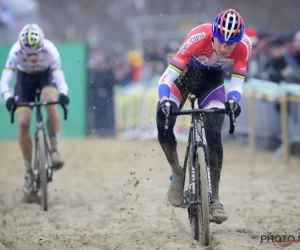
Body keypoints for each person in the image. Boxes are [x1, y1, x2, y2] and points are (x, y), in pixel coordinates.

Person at [156, 9, 252, 224]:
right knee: (163, 121)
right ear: (213, 35)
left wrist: (234, 101)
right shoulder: (198, 36)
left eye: (230, 44)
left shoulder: (244, 46)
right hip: (184, 76)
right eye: (220, 42)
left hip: (212, 82)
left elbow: (237, 82)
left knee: (214, 132)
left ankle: (215, 199)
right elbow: (168, 75)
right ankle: (177, 173)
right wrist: (165, 101)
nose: (224, 48)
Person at [0, 23, 70, 201]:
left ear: (42, 46)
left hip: (46, 77)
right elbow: (4, 81)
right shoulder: (15, 52)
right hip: (24, 81)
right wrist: (7, 97)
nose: (32, 58)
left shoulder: (51, 50)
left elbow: (60, 78)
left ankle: (54, 149)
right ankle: (28, 172)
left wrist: (63, 94)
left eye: (36, 53)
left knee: (49, 101)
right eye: (28, 54)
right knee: (23, 122)